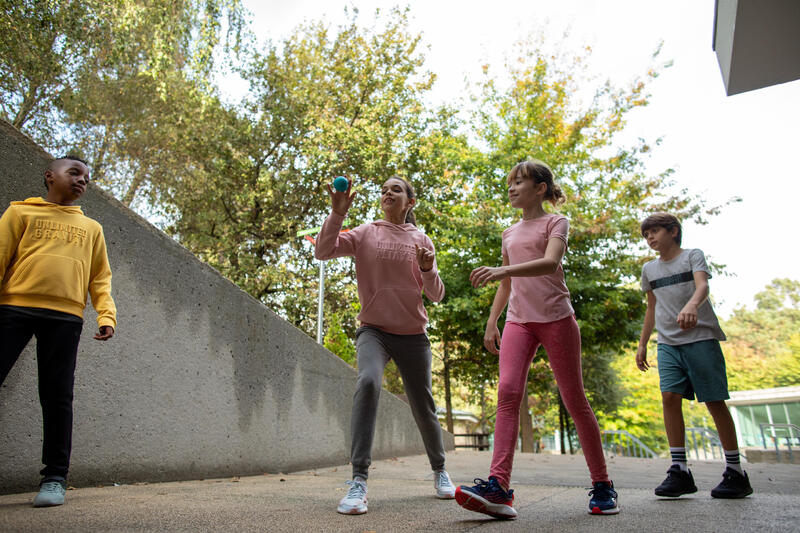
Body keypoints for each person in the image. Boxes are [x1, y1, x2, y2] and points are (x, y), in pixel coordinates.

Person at [455, 159, 618, 520]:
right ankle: (498, 486)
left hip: (557, 319)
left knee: (574, 399)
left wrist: (502, 270)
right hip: (519, 322)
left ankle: (603, 485)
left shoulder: (556, 222)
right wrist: (492, 321)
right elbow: (508, 284)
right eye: (510, 183)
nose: (512, 188)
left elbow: (549, 262)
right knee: (508, 393)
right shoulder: (509, 234)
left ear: (540, 188)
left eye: (519, 182)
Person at [314, 175, 455, 515]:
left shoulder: (422, 239)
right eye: (384, 189)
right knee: (368, 381)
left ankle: (440, 471)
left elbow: (436, 294)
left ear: (410, 201)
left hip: (412, 334)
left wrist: (427, 268)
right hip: (374, 330)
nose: (387, 192)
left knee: (423, 406)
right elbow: (322, 251)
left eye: (396, 189)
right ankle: (358, 480)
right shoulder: (365, 233)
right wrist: (337, 215)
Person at [0, 156, 116, 507]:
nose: (82, 180)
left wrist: (106, 314)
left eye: (87, 178)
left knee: (57, 396)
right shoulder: (20, 214)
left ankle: (54, 478)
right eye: (74, 173)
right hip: (14, 308)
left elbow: (100, 277)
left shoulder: (92, 228)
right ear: (50, 176)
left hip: (65, 317)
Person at [636, 212, 752, 499]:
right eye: (646, 234)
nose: (650, 238)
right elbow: (651, 307)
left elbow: (703, 285)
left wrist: (691, 305)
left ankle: (736, 471)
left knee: (714, 400)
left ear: (673, 231)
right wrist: (642, 344)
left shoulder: (692, 256)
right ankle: (680, 470)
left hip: (700, 338)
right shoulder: (649, 269)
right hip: (667, 343)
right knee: (669, 398)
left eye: (655, 231)